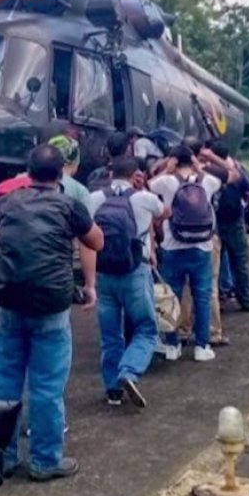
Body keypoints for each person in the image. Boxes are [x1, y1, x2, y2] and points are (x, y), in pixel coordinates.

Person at [0, 144, 103, 481]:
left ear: (28, 172)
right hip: (51, 307)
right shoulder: (70, 205)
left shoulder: (5, 202)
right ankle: (46, 460)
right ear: (61, 172)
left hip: (8, 304)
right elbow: (97, 242)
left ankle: (2, 457)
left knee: (5, 384)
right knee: (47, 386)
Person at [87, 155, 164, 408]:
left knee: (110, 335)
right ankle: (129, 372)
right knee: (145, 329)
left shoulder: (95, 198)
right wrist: (145, 187)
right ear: (136, 175)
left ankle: (112, 391)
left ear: (110, 174)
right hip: (135, 270)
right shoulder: (143, 198)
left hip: (104, 272)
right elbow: (165, 212)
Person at [149, 144, 236, 362]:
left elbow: (149, 185)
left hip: (173, 246)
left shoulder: (167, 182)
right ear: (193, 161)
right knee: (203, 296)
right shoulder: (207, 182)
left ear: (174, 161)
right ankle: (202, 346)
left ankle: (172, 344)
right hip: (202, 246)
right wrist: (199, 169)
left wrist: (167, 169)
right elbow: (224, 179)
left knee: (174, 297)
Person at [210, 141, 249, 313]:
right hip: (235, 220)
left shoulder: (211, 172)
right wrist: (247, 209)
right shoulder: (239, 173)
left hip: (217, 222)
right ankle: (246, 299)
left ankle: (221, 297)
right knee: (240, 263)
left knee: (218, 264)